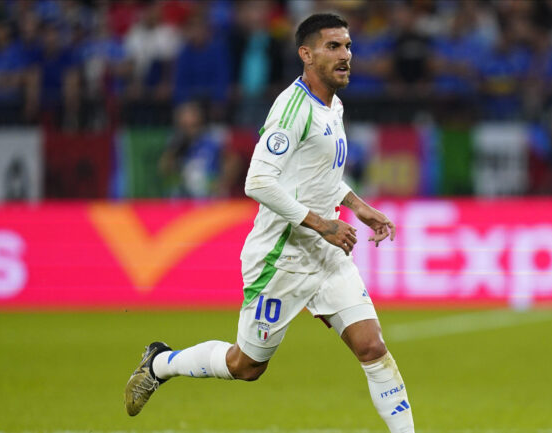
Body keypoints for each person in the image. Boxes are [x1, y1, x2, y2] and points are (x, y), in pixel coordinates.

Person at [124, 13, 415, 433]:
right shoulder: (292, 109)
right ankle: (161, 362)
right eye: (333, 47)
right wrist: (322, 224)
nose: (346, 55)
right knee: (246, 365)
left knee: (372, 347)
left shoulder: (333, 104)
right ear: (306, 54)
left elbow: (317, 175)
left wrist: (357, 205)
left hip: (325, 255)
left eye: (348, 46)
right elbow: (258, 181)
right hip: (281, 258)